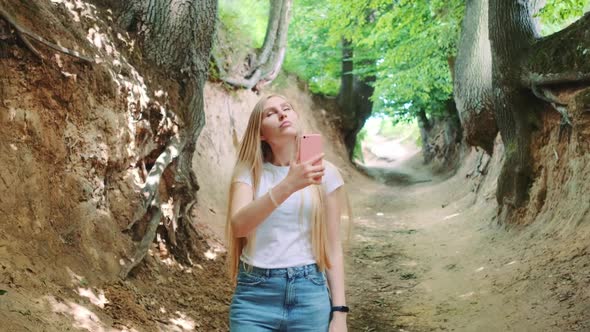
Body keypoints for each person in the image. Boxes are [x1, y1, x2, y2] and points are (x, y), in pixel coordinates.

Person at [225, 94, 349, 331]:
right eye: (270, 113)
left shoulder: (326, 173)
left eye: (286, 108)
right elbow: (239, 226)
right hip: (255, 297)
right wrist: (289, 184)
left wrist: (340, 313)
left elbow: (333, 248)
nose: (282, 114)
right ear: (261, 133)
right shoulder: (248, 172)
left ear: (296, 117)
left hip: (310, 294)